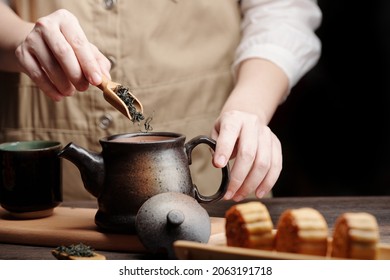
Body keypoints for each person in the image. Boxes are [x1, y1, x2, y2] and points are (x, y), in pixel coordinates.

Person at [0, 0, 322, 201]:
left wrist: (250, 105)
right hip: (49, 207)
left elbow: (282, 10)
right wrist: (20, 38)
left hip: (214, 195)